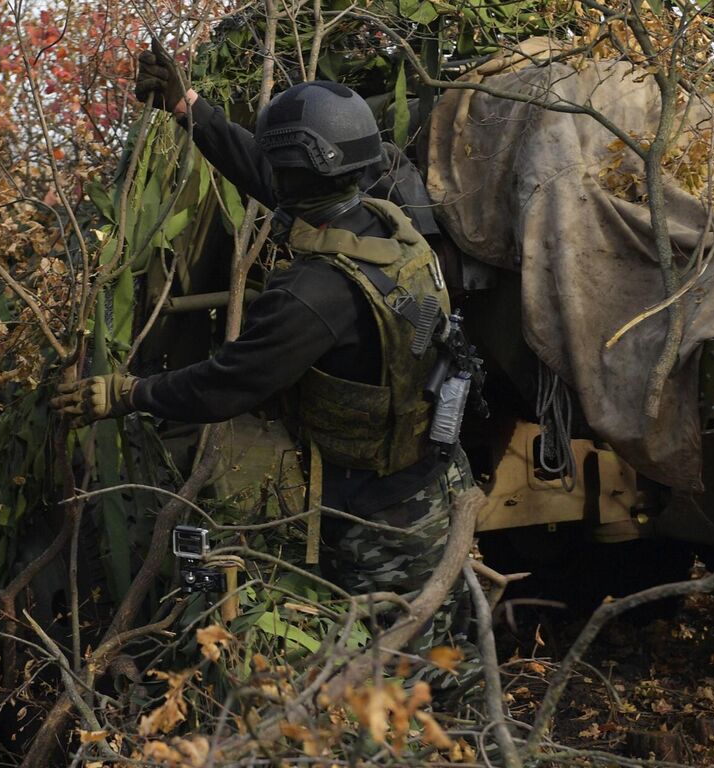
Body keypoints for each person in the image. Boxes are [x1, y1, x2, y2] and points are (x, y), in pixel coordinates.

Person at [52, 42, 474, 644]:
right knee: (443, 642)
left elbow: (225, 385)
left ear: (298, 178)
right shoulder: (384, 221)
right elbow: (270, 176)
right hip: (436, 474)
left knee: (396, 671)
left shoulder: (313, 294)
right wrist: (187, 106)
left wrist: (126, 392)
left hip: (380, 515)